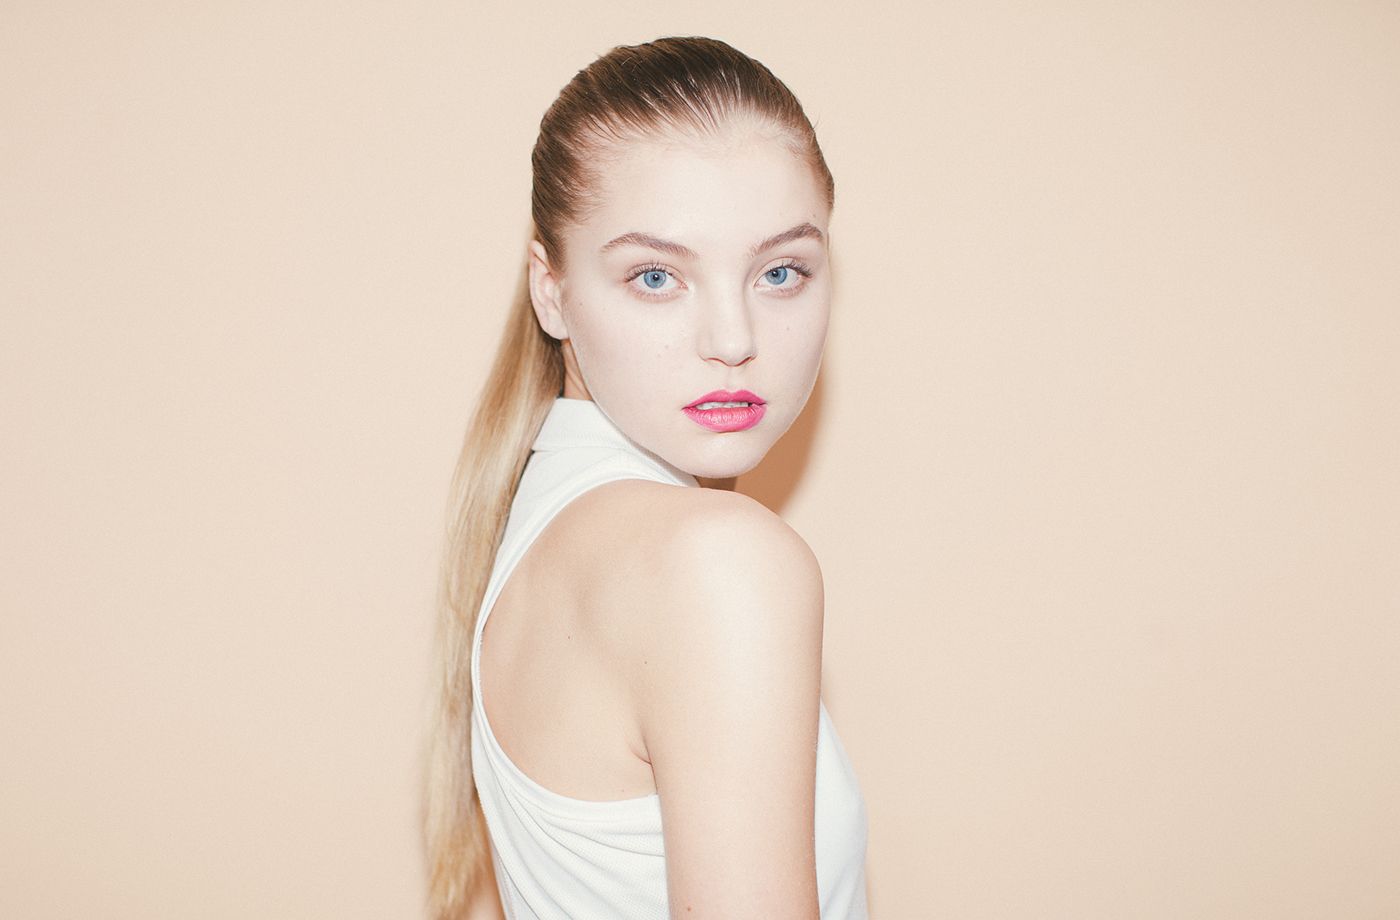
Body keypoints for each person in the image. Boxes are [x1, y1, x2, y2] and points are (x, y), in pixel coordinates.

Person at [425, 36, 869, 920]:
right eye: (657, 276)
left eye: (781, 271)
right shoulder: (718, 560)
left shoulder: (540, 523)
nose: (733, 339)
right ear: (551, 291)